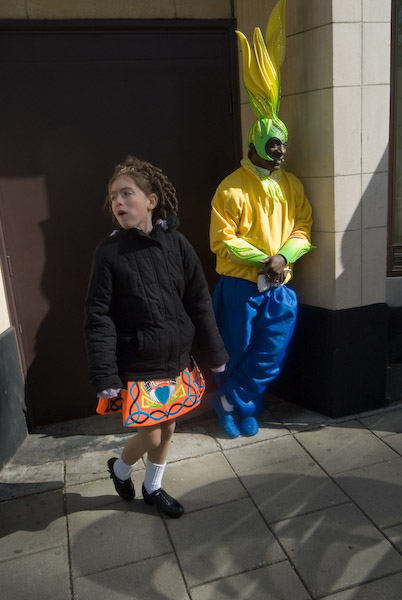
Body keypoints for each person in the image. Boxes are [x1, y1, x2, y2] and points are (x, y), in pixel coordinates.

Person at [84, 156, 228, 518]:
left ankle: (153, 487)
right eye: (113, 196)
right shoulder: (109, 254)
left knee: (168, 429)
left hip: (176, 358)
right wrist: (104, 374)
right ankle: (120, 468)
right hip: (139, 360)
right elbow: (98, 316)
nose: (118, 202)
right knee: (149, 435)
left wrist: (216, 353)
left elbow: (198, 301)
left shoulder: (176, 244)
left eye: (126, 193)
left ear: (150, 200)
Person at [209, 0, 313, 439]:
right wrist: (262, 259)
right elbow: (222, 239)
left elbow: (303, 228)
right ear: (256, 144)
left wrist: (283, 257)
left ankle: (233, 399)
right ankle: (238, 408)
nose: (282, 152)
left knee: (271, 352)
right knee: (238, 350)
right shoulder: (230, 187)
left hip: (280, 288)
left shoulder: (291, 185)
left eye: (284, 144)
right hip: (240, 288)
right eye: (275, 145)